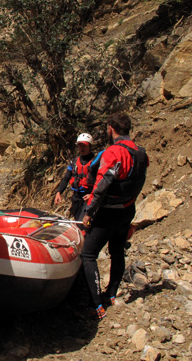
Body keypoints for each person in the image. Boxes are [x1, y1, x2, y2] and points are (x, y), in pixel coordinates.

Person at [81, 113, 148, 320]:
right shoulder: (141, 153)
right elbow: (140, 180)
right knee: (117, 251)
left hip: (108, 213)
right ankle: (110, 294)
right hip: (128, 210)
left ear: (110, 128)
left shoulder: (114, 152)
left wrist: (89, 211)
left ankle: (95, 306)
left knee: (88, 255)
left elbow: (101, 186)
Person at [54, 133, 97, 223]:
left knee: (83, 223)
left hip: (89, 197)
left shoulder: (96, 162)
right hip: (76, 197)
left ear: (90, 146)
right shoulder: (74, 162)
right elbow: (66, 178)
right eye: (80, 146)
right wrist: (59, 192)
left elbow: (101, 183)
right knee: (77, 221)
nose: (82, 148)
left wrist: (93, 195)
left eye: (84, 146)